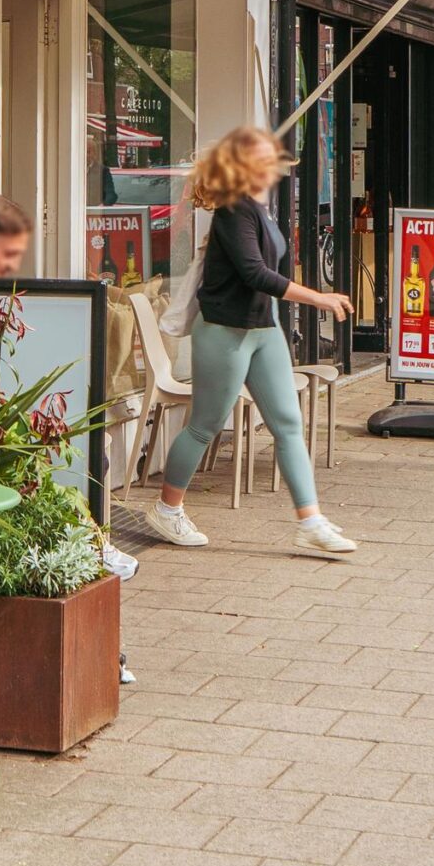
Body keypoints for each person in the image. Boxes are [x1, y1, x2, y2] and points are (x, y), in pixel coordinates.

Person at [151, 127, 359, 556]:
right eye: (265, 161)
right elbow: (255, 274)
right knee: (205, 425)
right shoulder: (232, 211)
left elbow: (264, 276)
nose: (275, 168)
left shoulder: (258, 210)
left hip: (263, 331)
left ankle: (311, 522)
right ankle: (167, 510)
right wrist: (317, 297)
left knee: (288, 424)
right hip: (224, 333)